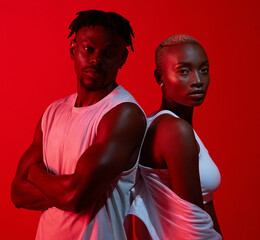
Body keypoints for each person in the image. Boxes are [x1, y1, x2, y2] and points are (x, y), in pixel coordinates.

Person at [11, 10, 146, 240]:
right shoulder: (53, 113)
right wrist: (66, 193)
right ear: (73, 50)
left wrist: (34, 173)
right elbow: (17, 193)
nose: (96, 59)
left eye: (109, 53)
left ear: (122, 58)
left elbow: (75, 196)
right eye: (89, 49)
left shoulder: (123, 114)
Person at [126, 35, 222, 239]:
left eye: (203, 70)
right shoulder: (175, 131)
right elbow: (194, 224)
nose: (197, 81)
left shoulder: (155, 122)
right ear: (159, 77)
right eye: (184, 71)